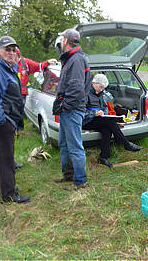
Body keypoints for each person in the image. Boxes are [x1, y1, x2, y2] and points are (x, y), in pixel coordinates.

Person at [0, 36, 30, 203]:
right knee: (6, 159)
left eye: (13, 50)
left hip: (6, 120)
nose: (10, 52)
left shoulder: (8, 68)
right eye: (6, 49)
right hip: (1, 122)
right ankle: (9, 194)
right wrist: (2, 121)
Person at [52, 28, 91, 191]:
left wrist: (64, 105)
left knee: (74, 145)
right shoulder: (70, 59)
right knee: (64, 143)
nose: (60, 41)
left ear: (66, 40)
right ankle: (68, 174)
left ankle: (80, 181)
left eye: (61, 38)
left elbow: (76, 89)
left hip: (72, 110)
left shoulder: (75, 60)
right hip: (68, 110)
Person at [82, 74, 142, 168]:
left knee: (107, 129)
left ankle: (103, 157)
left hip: (98, 119)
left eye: (103, 88)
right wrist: (94, 113)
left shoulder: (100, 94)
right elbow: (80, 113)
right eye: (100, 87)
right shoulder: (84, 93)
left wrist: (103, 113)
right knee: (110, 121)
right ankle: (125, 143)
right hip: (86, 121)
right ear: (93, 83)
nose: (101, 90)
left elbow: (105, 107)